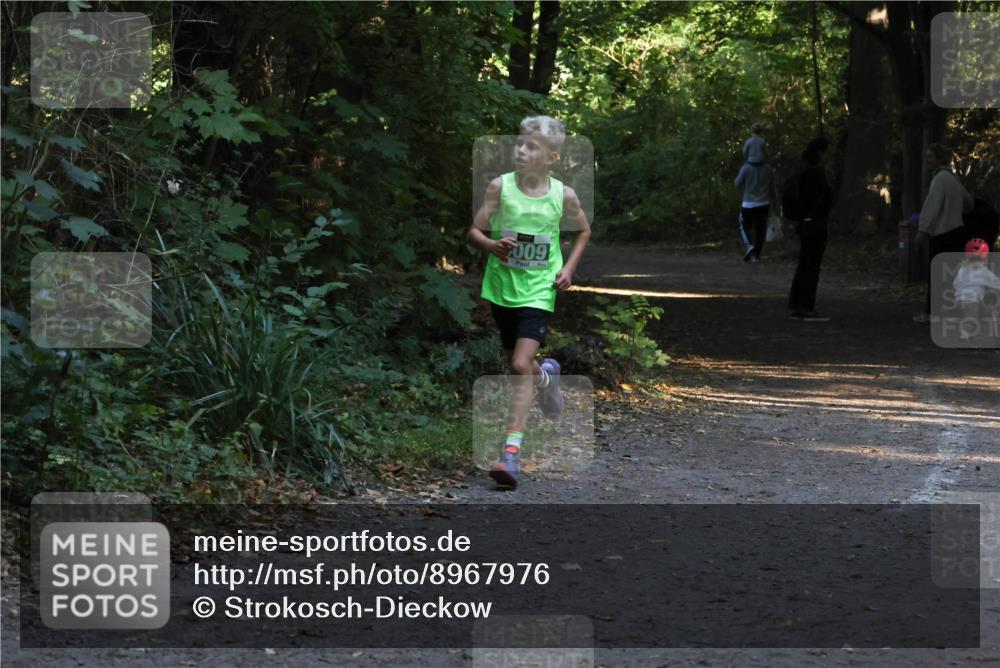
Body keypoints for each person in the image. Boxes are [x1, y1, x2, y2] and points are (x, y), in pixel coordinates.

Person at [468, 115, 592, 489]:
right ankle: (548, 378)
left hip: (539, 289)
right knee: (520, 363)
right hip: (502, 287)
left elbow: (583, 231)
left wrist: (568, 268)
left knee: (520, 364)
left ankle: (511, 453)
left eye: (532, 146)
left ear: (551, 157)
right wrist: (491, 244)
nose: (521, 150)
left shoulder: (563, 195)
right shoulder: (500, 187)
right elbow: (474, 230)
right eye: (519, 143)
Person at [914, 144, 974, 323]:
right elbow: (969, 202)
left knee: (936, 276)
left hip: (942, 234)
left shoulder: (939, 180)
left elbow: (932, 206)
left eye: (931, 157)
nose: (928, 161)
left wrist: (923, 230)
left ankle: (932, 313)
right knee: (952, 276)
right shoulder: (954, 180)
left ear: (939, 159)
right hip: (958, 232)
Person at [787, 137, 833, 321]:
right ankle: (806, 306)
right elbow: (822, 199)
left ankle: (797, 304)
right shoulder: (816, 173)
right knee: (811, 266)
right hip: (815, 224)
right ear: (821, 152)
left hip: (805, 223)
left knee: (804, 263)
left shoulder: (801, 170)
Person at [734, 123, 777, 262]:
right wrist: (775, 203)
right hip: (764, 203)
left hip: (748, 203)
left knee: (743, 225)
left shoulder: (745, 168)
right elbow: (773, 188)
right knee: (761, 229)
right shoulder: (768, 169)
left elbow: (737, 184)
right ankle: (756, 255)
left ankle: (749, 246)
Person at [952, 238, 1000, 342]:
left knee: (973, 316)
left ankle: (971, 334)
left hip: (958, 300)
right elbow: (997, 283)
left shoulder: (963, 268)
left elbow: (955, 283)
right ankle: (964, 337)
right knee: (971, 319)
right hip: (971, 302)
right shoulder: (983, 271)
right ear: (985, 258)